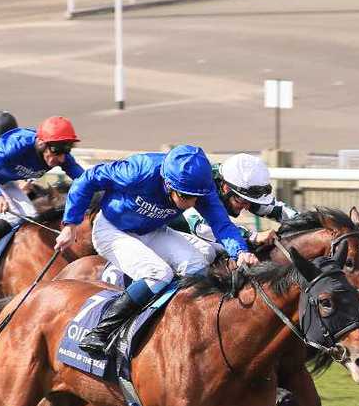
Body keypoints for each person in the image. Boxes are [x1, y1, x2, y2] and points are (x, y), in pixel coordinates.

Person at [56, 144, 259, 355]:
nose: (192, 203)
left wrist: (241, 252)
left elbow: (222, 225)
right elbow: (88, 179)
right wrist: (70, 224)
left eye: (196, 198)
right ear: (168, 184)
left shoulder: (200, 188)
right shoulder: (140, 169)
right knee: (159, 273)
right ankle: (101, 331)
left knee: (198, 264)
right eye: (186, 197)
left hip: (152, 229)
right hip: (112, 229)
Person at [0, 115, 84, 282]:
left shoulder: (59, 155)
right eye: (57, 151)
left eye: (65, 151)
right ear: (41, 143)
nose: (60, 158)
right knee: (10, 216)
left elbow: (84, 179)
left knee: (29, 216)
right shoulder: (17, 143)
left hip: (5, 181)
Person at [177, 153, 298, 247]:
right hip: (170, 233)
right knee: (210, 253)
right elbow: (201, 227)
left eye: (250, 202)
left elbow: (277, 209)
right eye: (242, 201)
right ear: (226, 188)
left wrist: (308, 221)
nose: (246, 207)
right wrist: (253, 236)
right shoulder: (199, 184)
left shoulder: (237, 189)